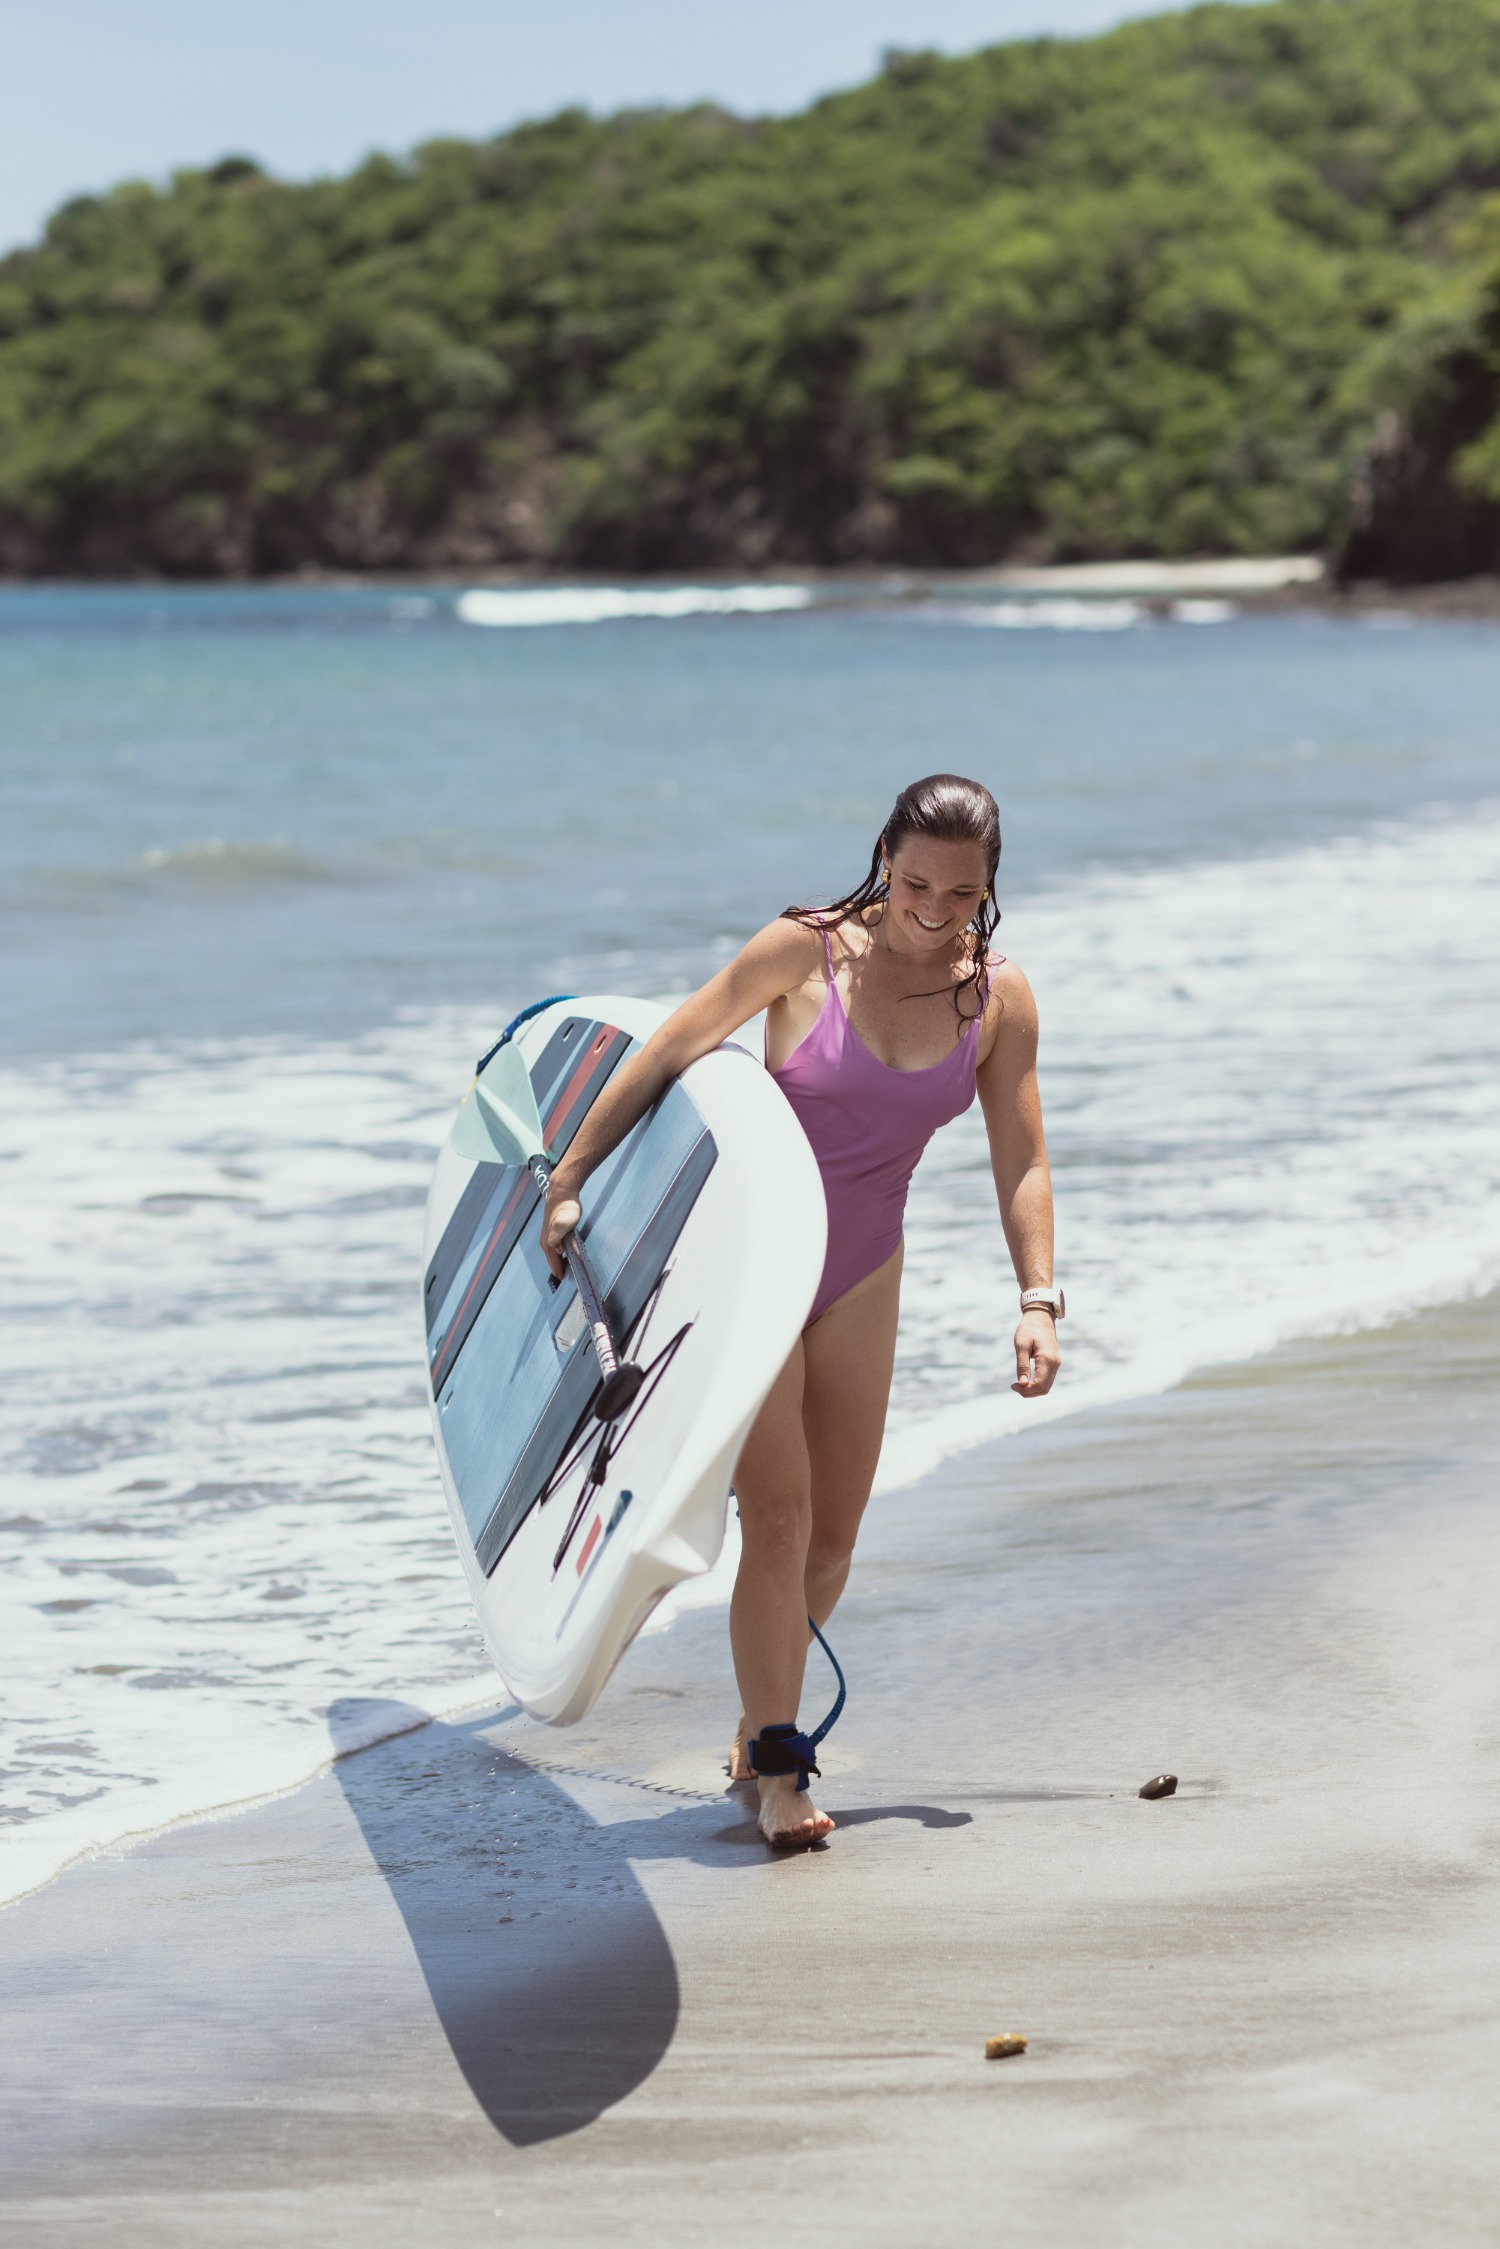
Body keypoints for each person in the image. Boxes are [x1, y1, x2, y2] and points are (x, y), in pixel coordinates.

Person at [542, 773, 1061, 1848]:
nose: (932, 907)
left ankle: (754, 1716)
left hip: (865, 1265)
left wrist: (1038, 1295)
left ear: (988, 887)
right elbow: (671, 1048)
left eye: (960, 893)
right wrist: (569, 1174)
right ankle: (781, 1763)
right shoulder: (804, 948)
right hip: (753, 1264)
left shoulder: (997, 997)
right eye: (915, 880)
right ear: (883, 855)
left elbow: (1023, 1161)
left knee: (832, 1538)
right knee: (775, 1514)